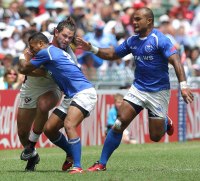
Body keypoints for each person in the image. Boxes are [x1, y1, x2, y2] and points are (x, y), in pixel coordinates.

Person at [76, 7, 194, 171]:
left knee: (155, 136)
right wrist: (92, 49)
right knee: (119, 123)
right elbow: (112, 54)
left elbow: (176, 61)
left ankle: (166, 121)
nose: (134, 22)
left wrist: (184, 86)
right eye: (134, 19)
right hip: (138, 89)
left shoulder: (160, 40)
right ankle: (101, 163)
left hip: (158, 92)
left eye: (138, 19)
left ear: (149, 21)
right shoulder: (132, 40)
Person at [19, 32, 97, 174]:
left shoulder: (46, 52)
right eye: (29, 48)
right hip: (70, 95)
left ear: (41, 43)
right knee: (49, 129)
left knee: (69, 125)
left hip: (83, 93)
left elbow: (24, 69)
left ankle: (78, 166)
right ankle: (70, 153)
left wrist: (21, 55)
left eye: (32, 46)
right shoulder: (55, 51)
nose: (31, 50)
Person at [17, 17, 78, 171]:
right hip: (30, 87)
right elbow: (24, 61)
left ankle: (31, 145)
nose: (66, 40)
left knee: (43, 106)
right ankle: (33, 156)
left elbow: (28, 67)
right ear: (56, 32)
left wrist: (37, 71)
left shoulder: (70, 56)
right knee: (23, 132)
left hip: (52, 88)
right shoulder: (42, 40)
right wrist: (42, 72)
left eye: (70, 38)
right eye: (64, 36)